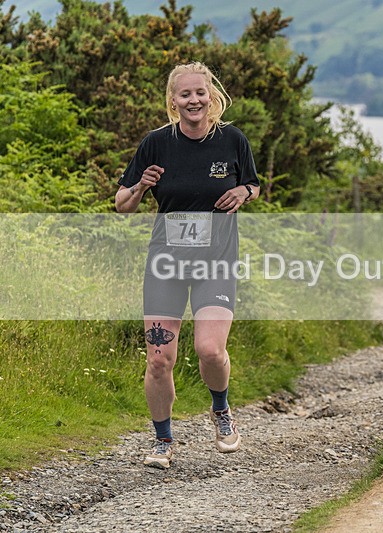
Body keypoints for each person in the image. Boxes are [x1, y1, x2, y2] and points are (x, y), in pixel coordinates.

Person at [115, 62, 260, 469]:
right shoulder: (156, 144)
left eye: (201, 93)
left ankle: (221, 410)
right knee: (159, 358)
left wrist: (243, 192)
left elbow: (254, 182)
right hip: (167, 265)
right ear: (173, 101)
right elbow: (122, 204)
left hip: (216, 264)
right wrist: (142, 185)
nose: (194, 100)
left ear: (211, 96)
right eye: (185, 95)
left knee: (210, 350)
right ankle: (163, 439)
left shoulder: (232, 139)